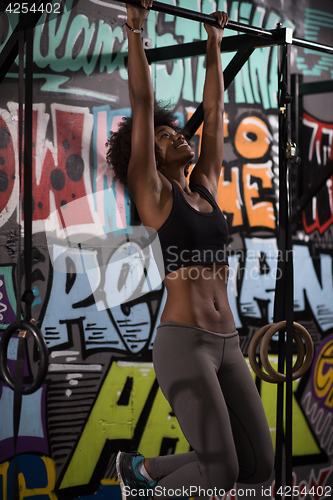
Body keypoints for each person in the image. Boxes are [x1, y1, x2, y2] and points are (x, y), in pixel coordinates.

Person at [106, 1, 274, 498]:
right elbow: (140, 103)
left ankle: (147, 471)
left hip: (229, 344)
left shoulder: (204, 187)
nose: (178, 134)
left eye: (175, 130)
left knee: (259, 466)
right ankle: (146, 489)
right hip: (185, 344)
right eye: (165, 135)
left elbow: (216, 111)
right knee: (220, 475)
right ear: (150, 157)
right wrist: (136, 31)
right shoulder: (155, 195)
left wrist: (213, 46)